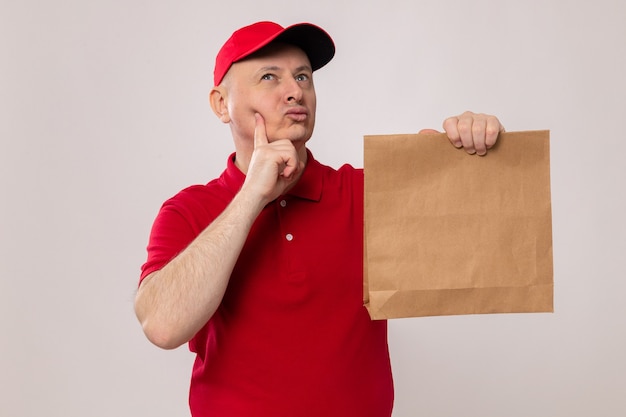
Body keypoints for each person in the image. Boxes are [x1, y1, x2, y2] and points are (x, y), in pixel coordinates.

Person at [134, 21, 504, 417]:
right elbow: (163, 325)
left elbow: (490, 240)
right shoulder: (188, 210)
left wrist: (472, 154)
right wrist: (252, 197)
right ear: (221, 103)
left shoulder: (365, 193)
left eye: (303, 76)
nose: (295, 90)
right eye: (269, 76)